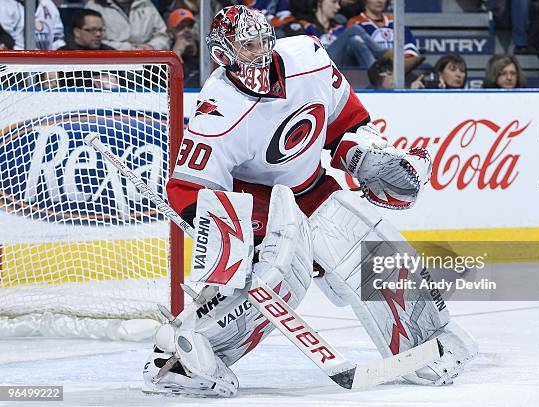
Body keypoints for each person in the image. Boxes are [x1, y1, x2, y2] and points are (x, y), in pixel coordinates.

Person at [141, 5, 478, 397]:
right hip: (262, 206)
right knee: (277, 282)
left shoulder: (308, 56)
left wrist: (364, 158)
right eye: (247, 46)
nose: (261, 52)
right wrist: (231, 239)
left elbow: (344, 120)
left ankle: (426, 337)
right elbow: (188, 187)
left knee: (370, 248)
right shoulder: (218, 111)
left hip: (314, 188)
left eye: (264, 41)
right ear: (223, 55)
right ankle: (179, 361)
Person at [297, 0, 388, 68]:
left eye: (339, 3)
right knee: (353, 29)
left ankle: (377, 76)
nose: (338, 7)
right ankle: (382, 61)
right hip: (318, 67)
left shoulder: (339, 28)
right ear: (319, 2)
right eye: (334, 2)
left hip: (340, 71)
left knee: (355, 41)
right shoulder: (304, 26)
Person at [84, 0, 170, 50]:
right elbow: (91, 40)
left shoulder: (146, 4)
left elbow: (163, 35)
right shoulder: (94, 6)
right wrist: (130, 48)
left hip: (147, 61)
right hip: (112, 62)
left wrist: (152, 46)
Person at [347, 0, 420, 58]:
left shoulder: (395, 21)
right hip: (369, 70)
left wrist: (400, 61)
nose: (380, 1)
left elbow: (410, 46)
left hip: (399, 67)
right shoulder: (356, 23)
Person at [0, 0, 65, 50]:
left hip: (48, 60)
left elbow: (58, 39)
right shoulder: (4, 5)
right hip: (18, 61)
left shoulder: (48, 4)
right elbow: (5, 40)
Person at [167, 8, 199, 88]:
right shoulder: (166, 56)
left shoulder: (205, 52)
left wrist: (194, 52)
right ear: (171, 33)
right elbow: (168, 86)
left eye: (190, 26)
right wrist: (177, 53)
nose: (186, 30)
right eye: (180, 27)